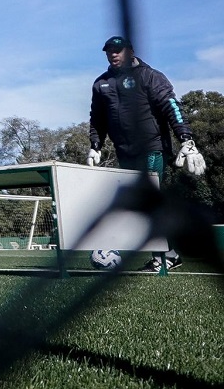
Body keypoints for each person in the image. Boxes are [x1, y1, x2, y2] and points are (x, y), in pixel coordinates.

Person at [87, 35, 206, 272]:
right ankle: (168, 252)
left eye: (118, 50)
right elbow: (97, 119)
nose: (113, 54)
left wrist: (186, 140)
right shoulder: (101, 84)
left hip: (153, 148)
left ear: (130, 51)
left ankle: (165, 256)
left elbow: (172, 106)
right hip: (124, 153)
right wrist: (95, 146)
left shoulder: (150, 76)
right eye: (109, 51)